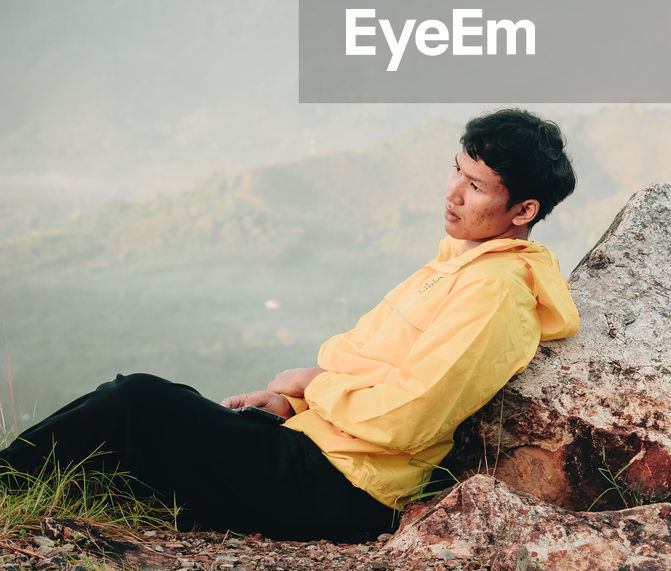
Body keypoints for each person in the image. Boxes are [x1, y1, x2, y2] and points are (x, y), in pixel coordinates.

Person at [0, 109, 578, 542]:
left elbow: (410, 416)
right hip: (312, 450)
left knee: (138, 401)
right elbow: (380, 372)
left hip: (342, 490)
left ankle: (5, 487)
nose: (452, 193)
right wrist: (290, 406)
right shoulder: (458, 262)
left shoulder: (494, 291)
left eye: (475, 187)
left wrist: (311, 385)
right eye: (456, 171)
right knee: (151, 413)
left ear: (523, 210)